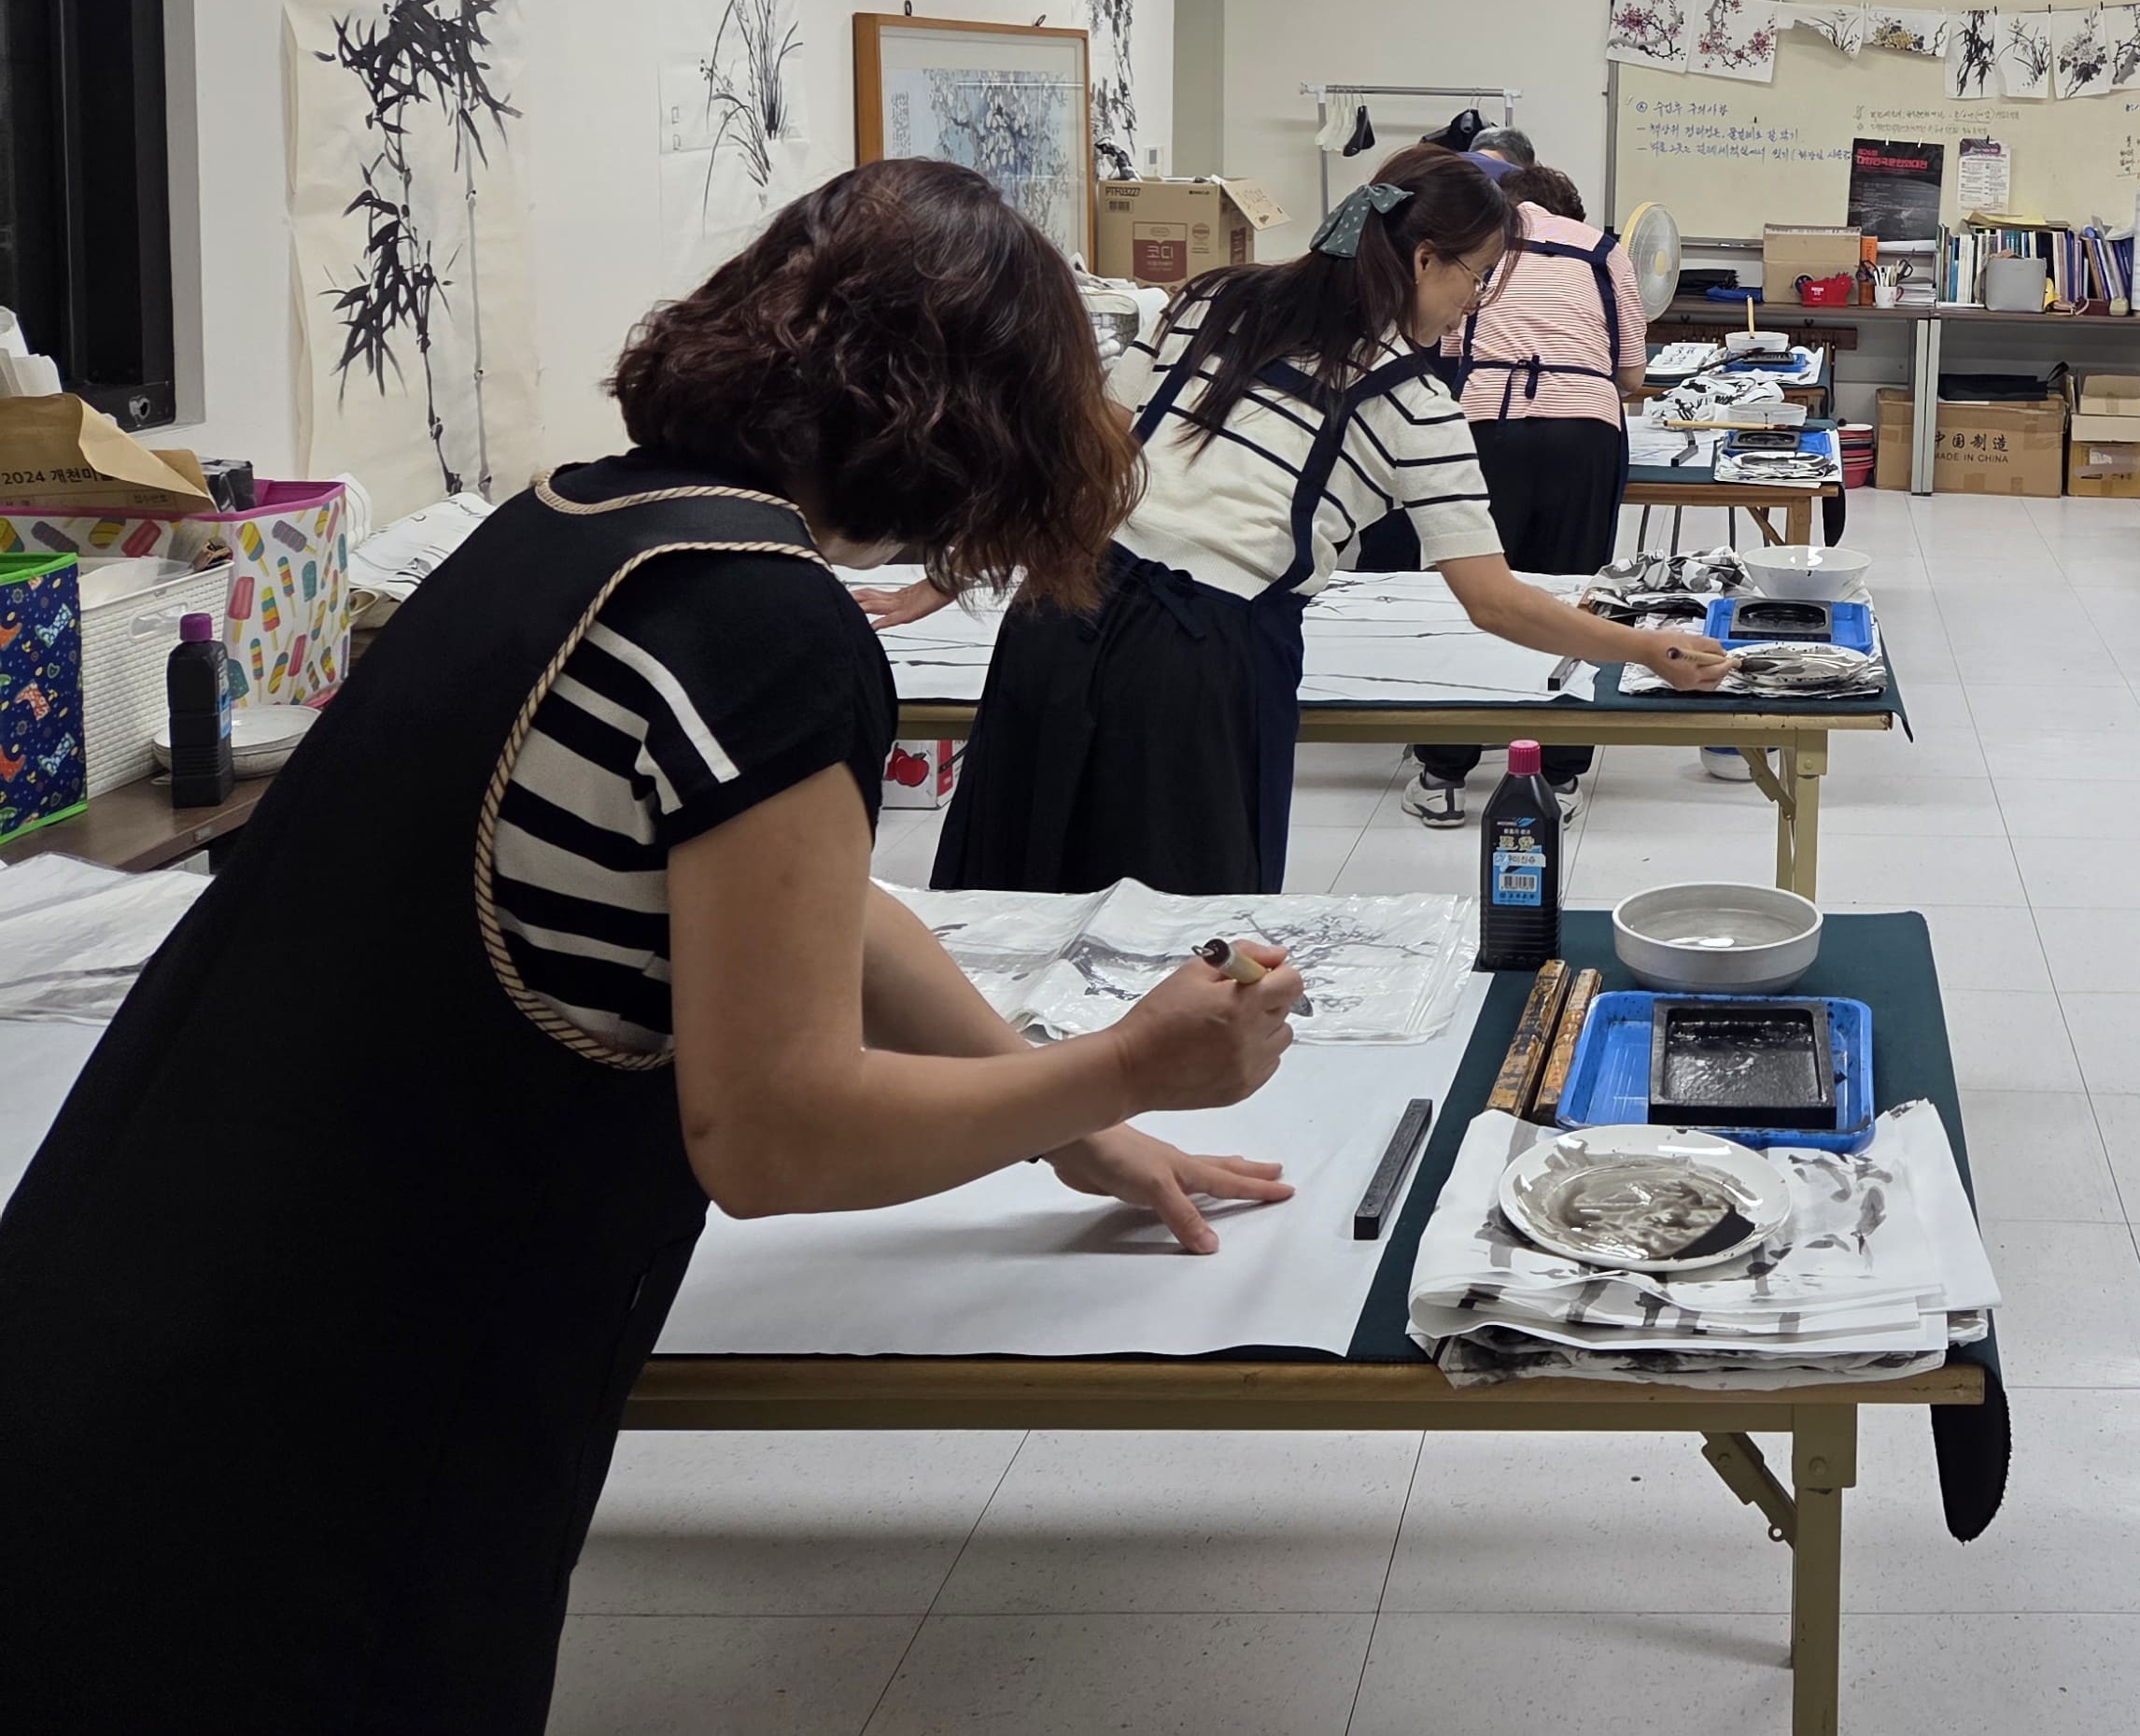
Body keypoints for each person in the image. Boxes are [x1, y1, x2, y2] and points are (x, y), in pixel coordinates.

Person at [0, 162, 1309, 1736]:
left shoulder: (566, 524)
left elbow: (821, 909)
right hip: (331, 1393)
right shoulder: (768, 621)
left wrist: (1074, 1124)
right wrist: (1132, 1061)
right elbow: (775, 1134)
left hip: (134, 1288)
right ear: (971, 427)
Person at [936, 148, 1725, 896]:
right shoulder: (1413, 403)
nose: (1472, 305)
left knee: (1008, 893)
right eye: (1478, 278)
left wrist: (962, 567)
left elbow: (1087, 452)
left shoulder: (1210, 299)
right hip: (1198, 664)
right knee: (1178, 931)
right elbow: (1494, 601)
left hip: (1055, 614)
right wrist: (1644, 650)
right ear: (1425, 260)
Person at [1408, 162, 1646, 827]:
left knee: (1472, 592)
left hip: (1485, 427)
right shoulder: (1603, 250)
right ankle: (1559, 773)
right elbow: (1631, 374)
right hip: (1585, 433)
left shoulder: (1476, 251)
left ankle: (1443, 772)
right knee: (1575, 591)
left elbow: (1442, 348)